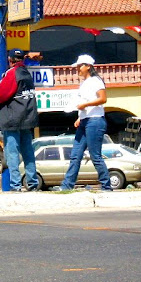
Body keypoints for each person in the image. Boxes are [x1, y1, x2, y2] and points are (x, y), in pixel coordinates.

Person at [0, 48, 39, 191]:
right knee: (28, 152)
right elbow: (6, 89)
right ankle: (32, 183)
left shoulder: (12, 74)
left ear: (10, 60)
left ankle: (15, 185)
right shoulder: (26, 74)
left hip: (12, 120)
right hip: (27, 118)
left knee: (12, 153)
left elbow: (0, 95)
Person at [58, 54, 112, 191]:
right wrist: (79, 117)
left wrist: (86, 105)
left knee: (95, 156)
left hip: (95, 121)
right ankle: (67, 185)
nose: (78, 68)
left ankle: (106, 185)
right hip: (84, 121)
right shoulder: (83, 83)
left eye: (80, 66)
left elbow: (103, 99)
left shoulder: (96, 81)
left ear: (88, 66)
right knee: (75, 155)